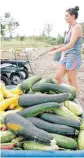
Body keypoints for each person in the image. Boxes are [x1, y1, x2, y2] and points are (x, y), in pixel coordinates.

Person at [49, 6, 83, 92]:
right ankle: (58, 96)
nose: (65, 18)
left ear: (73, 16)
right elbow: (66, 43)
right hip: (66, 57)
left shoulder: (77, 27)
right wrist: (57, 47)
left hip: (73, 57)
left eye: (67, 16)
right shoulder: (70, 28)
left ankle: (75, 100)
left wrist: (56, 51)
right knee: (57, 78)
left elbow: (71, 44)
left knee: (71, 80)